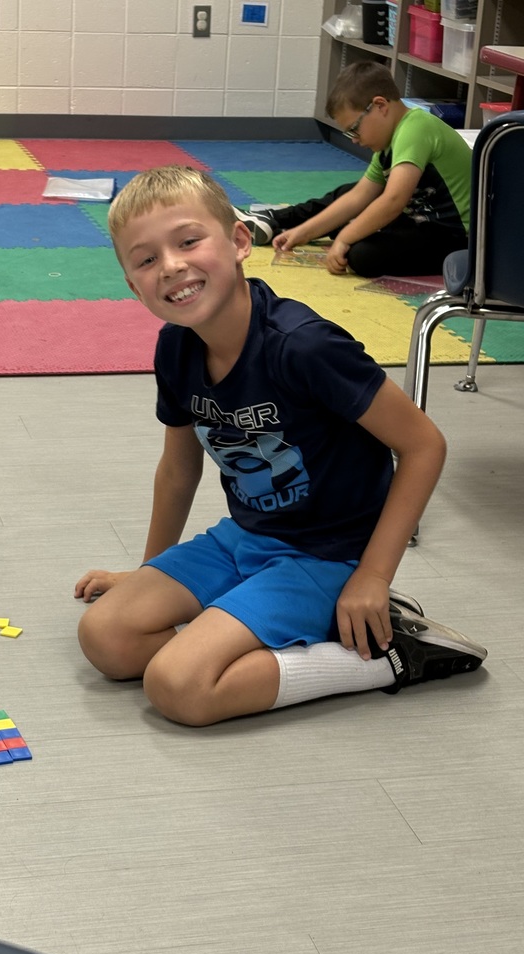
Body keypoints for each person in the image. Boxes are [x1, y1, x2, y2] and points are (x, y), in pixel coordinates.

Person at [73, 165, 485, 727]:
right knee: (107, 638)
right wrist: (150, 571)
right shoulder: (175, 349)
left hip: (329, 554)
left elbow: (424, 446)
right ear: (133, 284)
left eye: (189, 241)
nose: (171, 266)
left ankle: (388, 656)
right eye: (145, 260)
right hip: (247, 538)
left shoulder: (305, 347)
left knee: (178, 685)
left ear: (240, 241)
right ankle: (257, 627)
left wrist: (372, 577)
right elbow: (177, 470)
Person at [234, 61, 472, 278]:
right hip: (419, 223)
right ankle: (279, 220)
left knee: (360, 255)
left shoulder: (416, 127)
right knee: (347, 200)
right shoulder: (388, 146)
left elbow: (393, 200)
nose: (354, 140)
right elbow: (359, 196)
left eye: (354, 130)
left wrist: (346, 239)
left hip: (454, 236)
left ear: (380, 105)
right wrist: (302, 233)